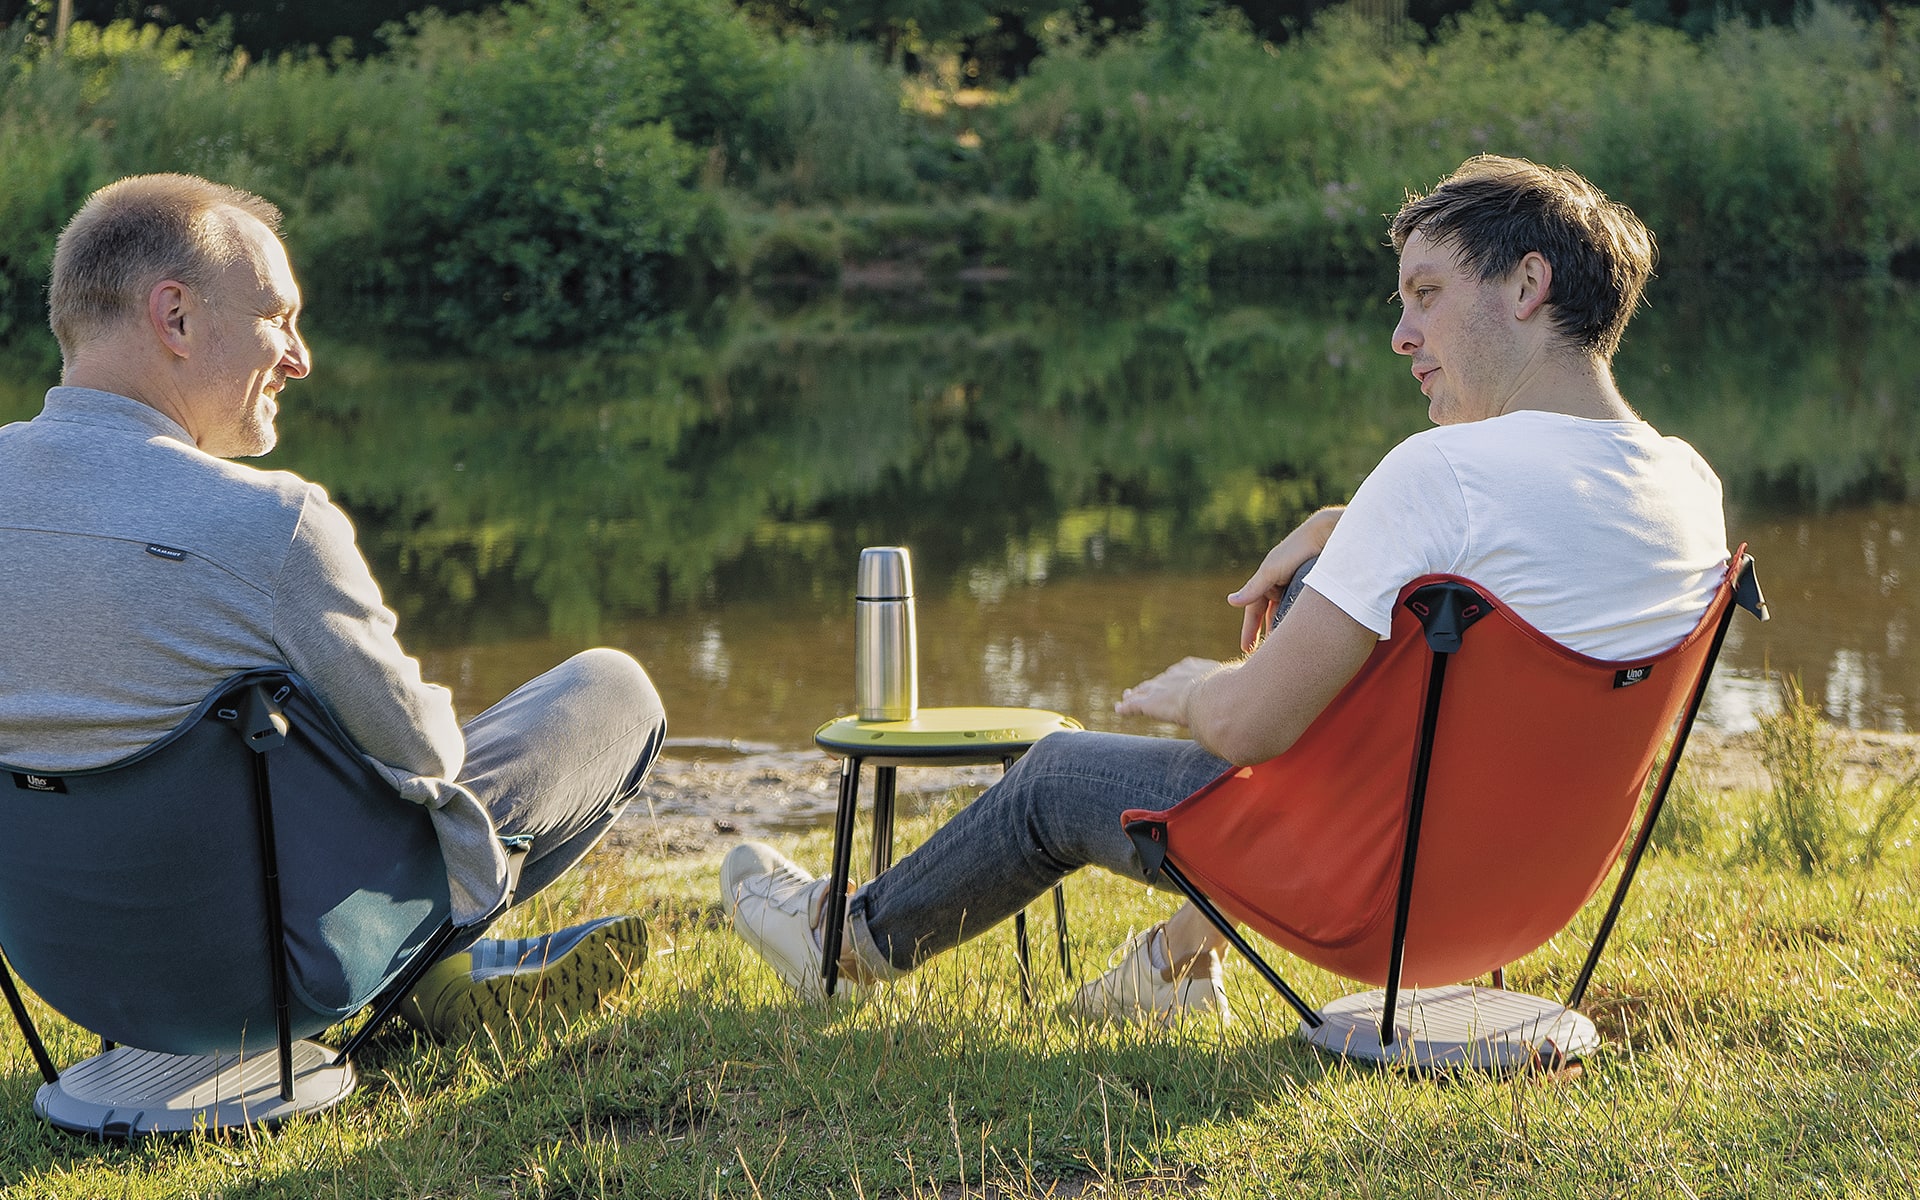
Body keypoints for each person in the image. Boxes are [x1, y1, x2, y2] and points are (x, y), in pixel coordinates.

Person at [719, 154, 1729, 1023]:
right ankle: (1174, 959)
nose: (1402, 335)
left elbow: (1247, 729)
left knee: (1054, 774)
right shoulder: (1689, 485)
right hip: (1526, 899)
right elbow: (1513, 565)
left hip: (1374, 900)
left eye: (1426, 294)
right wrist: (1350, 528)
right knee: (1327, 599)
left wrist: (1195, 686)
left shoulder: (1441, 476)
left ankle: (842, 943)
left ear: (1526, 285)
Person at [0, 174, 667, 1041]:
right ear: (175, 317)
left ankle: (433, 985)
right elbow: (425, 755)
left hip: (67, 973)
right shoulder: (271, 523)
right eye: (277, 316)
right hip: (276, 976)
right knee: (611, 692)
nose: (299, 357)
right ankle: (419, 977)